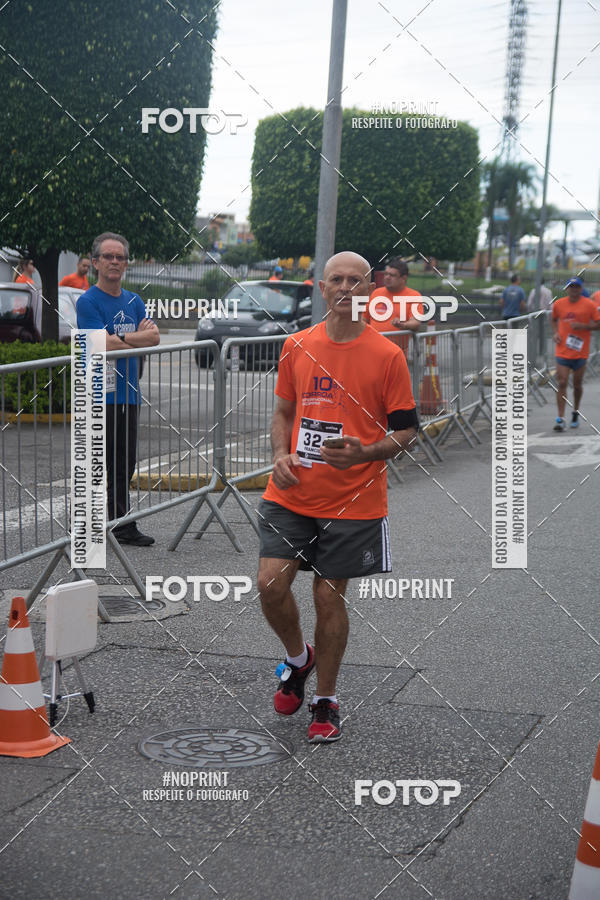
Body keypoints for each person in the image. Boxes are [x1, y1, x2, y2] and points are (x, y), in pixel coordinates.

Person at [257, 251, 418, 743]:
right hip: (290, 492)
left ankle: (326, 700)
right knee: (269, 585)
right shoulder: (297, 346)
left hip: (354, 500)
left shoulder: (387, 355)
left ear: (369, 290)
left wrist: (365, 453)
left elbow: (408, 432)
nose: (346, 288)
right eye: (337, 281)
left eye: (356, 281)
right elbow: (283, 412)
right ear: (322, 289)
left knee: (328, 596)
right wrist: (280, 454)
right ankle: (296, 658)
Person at [76, 232, 159, 546]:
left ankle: (122, 525)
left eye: (120, 257)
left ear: (126, 263)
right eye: (108, 256)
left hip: (129, 394)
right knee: (98, 463)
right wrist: (123, 340)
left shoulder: (134, 300)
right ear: (95, 262)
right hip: (100, 396)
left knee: (126, 461)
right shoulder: (88, 301)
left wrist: (115, 340)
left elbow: (154, 338)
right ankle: (91, 531)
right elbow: (99, 345)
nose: (114, 262)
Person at [551, 277, 600, 431]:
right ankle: (560, 418)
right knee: (562, 382)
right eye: (571, 287)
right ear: (567, 289)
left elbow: (598, 324)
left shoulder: (590, 305)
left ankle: (575, 412)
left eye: (576, 287)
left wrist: (583, 326)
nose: (574, 289)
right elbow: (552, 319)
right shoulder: (559, 304)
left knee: (577, 385)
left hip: (580, 352)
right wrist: (555, 333)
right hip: (562, 350)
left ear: (581, 288)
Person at [364, 259, 423, 345]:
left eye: (392, 275)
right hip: (373, 348)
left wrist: (404, 325)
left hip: (397, 352)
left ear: (403, 278)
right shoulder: (376, 293)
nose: (387, 277)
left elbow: (416, 323)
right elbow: (363, 319)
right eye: (386, 274)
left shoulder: (414, 296)